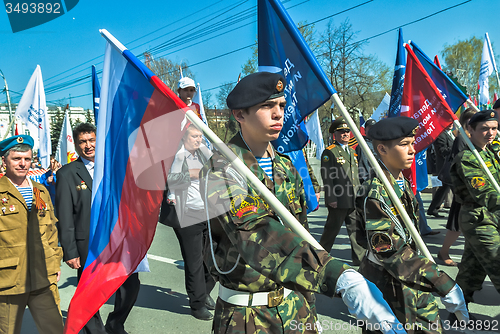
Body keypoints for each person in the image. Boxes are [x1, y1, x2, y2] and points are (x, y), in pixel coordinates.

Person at [200, 72, 406, 334]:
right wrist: (336, 275)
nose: (278, 114)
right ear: (240, 115)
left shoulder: (285, 166)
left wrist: (310, 310)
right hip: (248, 315)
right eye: (267, 106)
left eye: (282, 106)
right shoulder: (222, 169)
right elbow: (256, 235)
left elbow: (302, 235)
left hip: (294, 306)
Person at [356, 117, 468, 333]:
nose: (412, 150)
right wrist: (442, 282)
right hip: (390, 287)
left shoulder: (401, 182)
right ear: (381, 149)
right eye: (404, 144)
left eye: (412, 143)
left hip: (411, 277)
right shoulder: (376, 193)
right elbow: (388, 251)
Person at [56, 123, 141, 334]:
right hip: (88, 242)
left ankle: (115, 322)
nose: (88, 146)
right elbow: (65, 215)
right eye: (82, 142)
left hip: (118, 239)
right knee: (89, 291)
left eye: (91, 140)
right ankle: (95, 330)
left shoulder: (114, 167)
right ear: (75, 145)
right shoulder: (67, 174)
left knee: (130, 285)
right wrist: (70, 251)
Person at [0, 135, 64, 334]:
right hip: (8, 278)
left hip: (43, 275)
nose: (23, 164)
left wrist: (55, 261)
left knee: (54, 329)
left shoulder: (40, 191)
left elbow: (52, 230)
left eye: (27, 159)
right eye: (16, 158)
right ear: (4, 161)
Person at [159, 124, 216, 321]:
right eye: (194, 136)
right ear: (184, 138)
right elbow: (164, 180)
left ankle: (204, 290)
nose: (198, 139)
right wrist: (189, 175)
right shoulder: (176, 156)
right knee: (194, 262)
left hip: (208, 213)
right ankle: (197, 304)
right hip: (187, 215)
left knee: (213, 257)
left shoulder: (204, 154)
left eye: (200, 136)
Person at [450, 109, 500, 305]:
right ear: (470, 129)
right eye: (484, 129)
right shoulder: (468, 157)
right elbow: (484, 193)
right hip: (478, 219)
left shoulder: (489, 152)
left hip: (491, 216)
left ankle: (457, 310)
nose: (490, 133)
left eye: (494, 128)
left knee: (472, 270)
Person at [320, 117, 365, 265]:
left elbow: (355, 175)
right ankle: (319, 258)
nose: (345, 134)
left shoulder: (352, 152)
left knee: (356, 231)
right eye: (341, 132)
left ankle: (360, 260)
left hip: (353, 198)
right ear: (335, 134)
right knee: (331, 232)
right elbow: (327, 177)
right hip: (338, 200)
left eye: (347, 132)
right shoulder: (330, 152)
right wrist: (331, 198)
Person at [437, 108, 476, 266]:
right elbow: (458, 164)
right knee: (457, 224)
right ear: (467, 122)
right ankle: (443, 252)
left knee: (471, 224)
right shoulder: (462, 139)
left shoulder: (474, 138)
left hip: (474, 189)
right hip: (463, 188)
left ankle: (470, 260)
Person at [427, 124, 455, 217]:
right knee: (456, 190)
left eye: (452, 123)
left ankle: (433, 209)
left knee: (443, 189)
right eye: (448, 123)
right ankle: (459, 210)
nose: (451, 124)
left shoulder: (451, 134)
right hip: (445, 166)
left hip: (450, 166)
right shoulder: (441, 135)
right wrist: (456, 149)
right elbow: (442, 151)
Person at [356, 118, 377, 183]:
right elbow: (363, 167)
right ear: (365, 130)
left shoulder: (378, 144)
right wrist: (369, 182)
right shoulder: (363, 145)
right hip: (370, 182)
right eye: (370, 128)